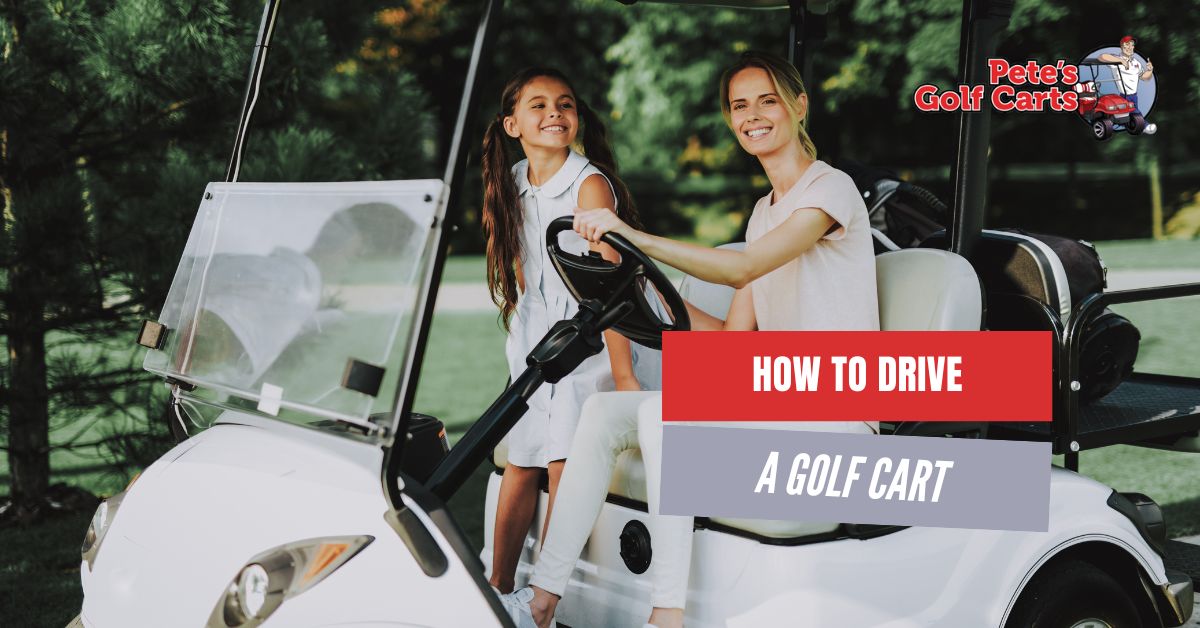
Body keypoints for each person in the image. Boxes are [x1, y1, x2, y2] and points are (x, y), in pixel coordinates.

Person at [499, 50, 880, 628]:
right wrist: (646, 301)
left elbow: (741, 268)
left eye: (768, 100)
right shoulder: (763, 211)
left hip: (835, 414)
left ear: (800, 105)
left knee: (662, 419)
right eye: (739, 106)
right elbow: (732, 341)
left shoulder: (831, 192)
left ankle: (666, 614)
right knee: (604, 413)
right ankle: (543, 602)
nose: (752, 115)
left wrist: (633, 236)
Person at [482, 67, 655, 600]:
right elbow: (523, 266)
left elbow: (616, 284)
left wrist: (623, 374)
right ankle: (498, 586)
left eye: (565, 104)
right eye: (539, 106)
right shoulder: (513, 180)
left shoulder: (589, 183)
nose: (555, 113)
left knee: (564, 460)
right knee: (522, 456)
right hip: (539, 334)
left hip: (591, 336)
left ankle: (545, 596)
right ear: (513, 125)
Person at [1099, 35, 1157, 134]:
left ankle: (1131, 124)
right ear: (1122, 46)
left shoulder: (1136, 63)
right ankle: (1145, 126)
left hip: (1134, 95)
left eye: (1132, 45)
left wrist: (1150, 70)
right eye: (1127, 44)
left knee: (1130, 113)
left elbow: (1144, 77)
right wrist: (1120, 61)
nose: (1130, 47)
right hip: (1125, 95)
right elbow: (1102, 57)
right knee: (1134, 111)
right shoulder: (1116, 59)